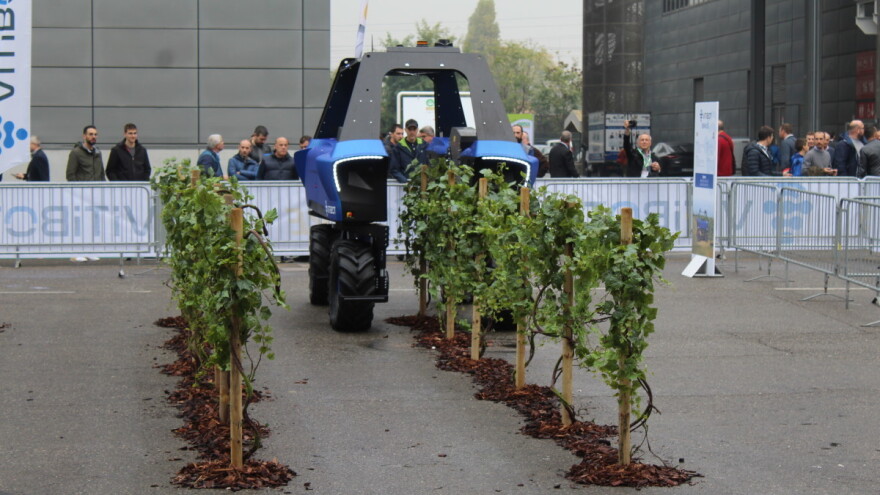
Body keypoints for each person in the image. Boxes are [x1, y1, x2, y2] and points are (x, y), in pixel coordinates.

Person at [389, 119, 427, 183]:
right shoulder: (398, 148)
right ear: (405, 130)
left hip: (422, 185)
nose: (412, 132)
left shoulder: (424, 145)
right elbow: (394, 169)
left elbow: (429, 165)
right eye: (410, 129)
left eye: (414, 129)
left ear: (417, 130)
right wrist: (405, 182)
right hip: (405, 187)